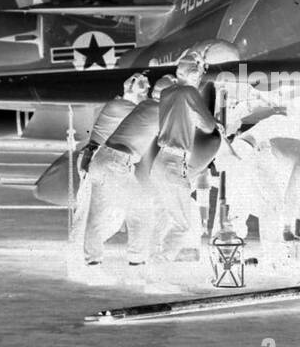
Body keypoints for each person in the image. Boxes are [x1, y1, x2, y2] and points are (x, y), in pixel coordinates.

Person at [82, 75, 175, 269]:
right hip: (115, 163)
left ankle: (92, 263)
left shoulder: (143, 107)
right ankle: (137, 263)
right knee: (141, 212)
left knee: (98, 216)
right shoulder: (139, 108)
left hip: (102, 160)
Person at [151, 48, 225, 262]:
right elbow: (209, 124)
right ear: (193, 74)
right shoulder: (190, 93)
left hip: (160, 161)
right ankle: (159, 265)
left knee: (163, 217)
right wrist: (211, 120)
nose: (201, 77)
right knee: (182, 224)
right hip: (175, 163)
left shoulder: (168, 93)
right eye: (200, 73)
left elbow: (182, 117)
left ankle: (148, 267)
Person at [69, 74, 149, 264]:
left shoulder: (121, 105)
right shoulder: (122, 106)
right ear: (133, 89)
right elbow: (150, 116)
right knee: (93, 216)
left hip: (100, 162)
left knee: (99, 216)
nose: (147, 93)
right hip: (100, 161)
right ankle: (85, 262)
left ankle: (84, 261)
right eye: (144, 89)